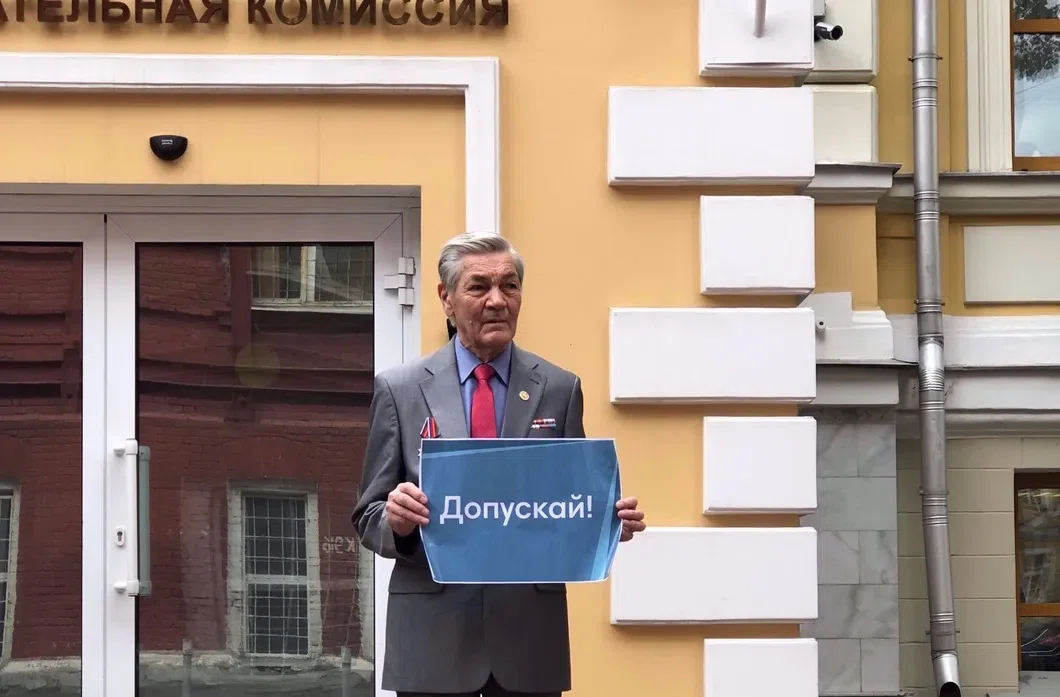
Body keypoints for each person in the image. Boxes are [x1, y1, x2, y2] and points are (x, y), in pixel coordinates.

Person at [351, 232, 647, 697]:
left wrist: (605, 525)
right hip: (432, 642)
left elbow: (572, 502)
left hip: (528, 642)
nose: (497, 300)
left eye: (510, 286)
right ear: (446, 299)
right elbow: (369, 517)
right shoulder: (400, 389)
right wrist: (397, 521)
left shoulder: (559, 388)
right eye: (479, 287)